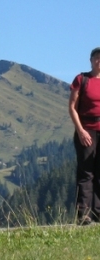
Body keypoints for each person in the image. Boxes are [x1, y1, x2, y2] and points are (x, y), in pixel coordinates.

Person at [69, 47, 100, 225]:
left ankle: (98, 212)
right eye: (96, 58)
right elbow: (72, 107)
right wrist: (81, 131)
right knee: (86, 172)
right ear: (91, 60)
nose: (99, 61)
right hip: (86, 130)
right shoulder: (82, 80)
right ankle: (84, 215)